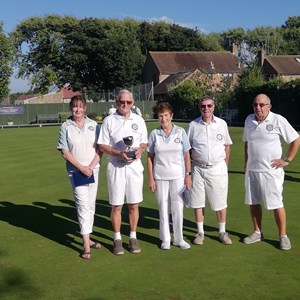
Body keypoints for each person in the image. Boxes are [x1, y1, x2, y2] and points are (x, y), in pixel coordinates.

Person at [243, 93, 300, 250]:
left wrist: (286, 160)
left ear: (269, 106)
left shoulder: (278, 120)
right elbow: (247, 142)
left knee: (276, 204)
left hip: (271, 171)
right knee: (254, 202)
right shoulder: (249, 120)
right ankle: (257, 232)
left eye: (261, 105)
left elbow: (296, 140)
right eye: (255, 104)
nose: (258, 108)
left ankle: (283, 236)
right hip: (253, 170)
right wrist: (246, 162)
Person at [98, 89, 148, 255]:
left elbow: (143, 143)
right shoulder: (109, 120)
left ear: (132, 103)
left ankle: (133, 237)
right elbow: (102, 145)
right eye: (122, 102)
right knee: (117, 205)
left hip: (134, 168)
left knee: (134, 204)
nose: (125, 105)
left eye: (128, 102)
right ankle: (117, 238)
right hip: (116, 167)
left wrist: (140, 150)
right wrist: (119, 153)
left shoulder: (139, 120)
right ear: (116, 102)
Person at [57, 95, 103, 259]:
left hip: (93, 170)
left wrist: (90, 167)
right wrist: (82, 168)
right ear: (71, 108)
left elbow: (100, 148)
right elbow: (65, 151)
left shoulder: (93, 125)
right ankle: (85, 244)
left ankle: (88, 238)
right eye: (75, 106)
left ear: (85, 108)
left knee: (90, 205)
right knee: (82, 205)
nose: (78, 110)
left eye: (81, 107)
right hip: (76, 172)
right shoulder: (66, 126)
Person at [187, 95, 233, 245]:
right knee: (198, 202)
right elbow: (187, 148)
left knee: (220, 202)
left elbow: (227, 145)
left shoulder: (222, 124)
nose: (206, 109)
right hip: (198, 168)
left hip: (217, 168)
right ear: (199, 108)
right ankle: (200, 232)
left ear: (214, 107)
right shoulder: (193, 125)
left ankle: (222, 232)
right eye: (203, 106)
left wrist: (224, 165)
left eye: (209, 106)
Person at [147, 102, 191, 250]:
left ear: (171, 116)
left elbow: (186, 156)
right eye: (160, 115)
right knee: (162, 207)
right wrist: (151, 178)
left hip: (178, 176)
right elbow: (150, 157)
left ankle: (179, 239)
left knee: (178, 207)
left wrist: (188, 175)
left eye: (166, 115)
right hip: (160, 176)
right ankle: (165, 239)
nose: (163, 118)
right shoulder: (154, 134)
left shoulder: (180, 132)